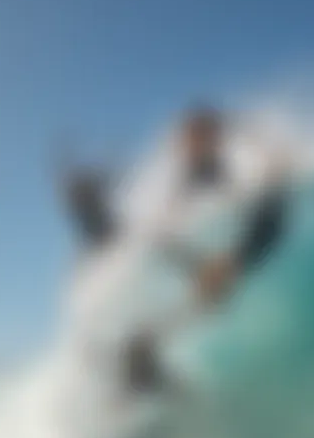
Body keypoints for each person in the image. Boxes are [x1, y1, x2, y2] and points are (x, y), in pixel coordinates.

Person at [122, 105, 293, 395]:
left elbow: (264, 177)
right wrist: (163, 232)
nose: (187, 150)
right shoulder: (191, 170)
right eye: (185, 144)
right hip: (229, 242)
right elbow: (175, 204)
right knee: (181, 264)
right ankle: (146, 350)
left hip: (261, 226)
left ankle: (148, 346)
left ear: (209, 137)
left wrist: (266, 165)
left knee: (210, 280)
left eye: (193, 141)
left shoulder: (234, 153)